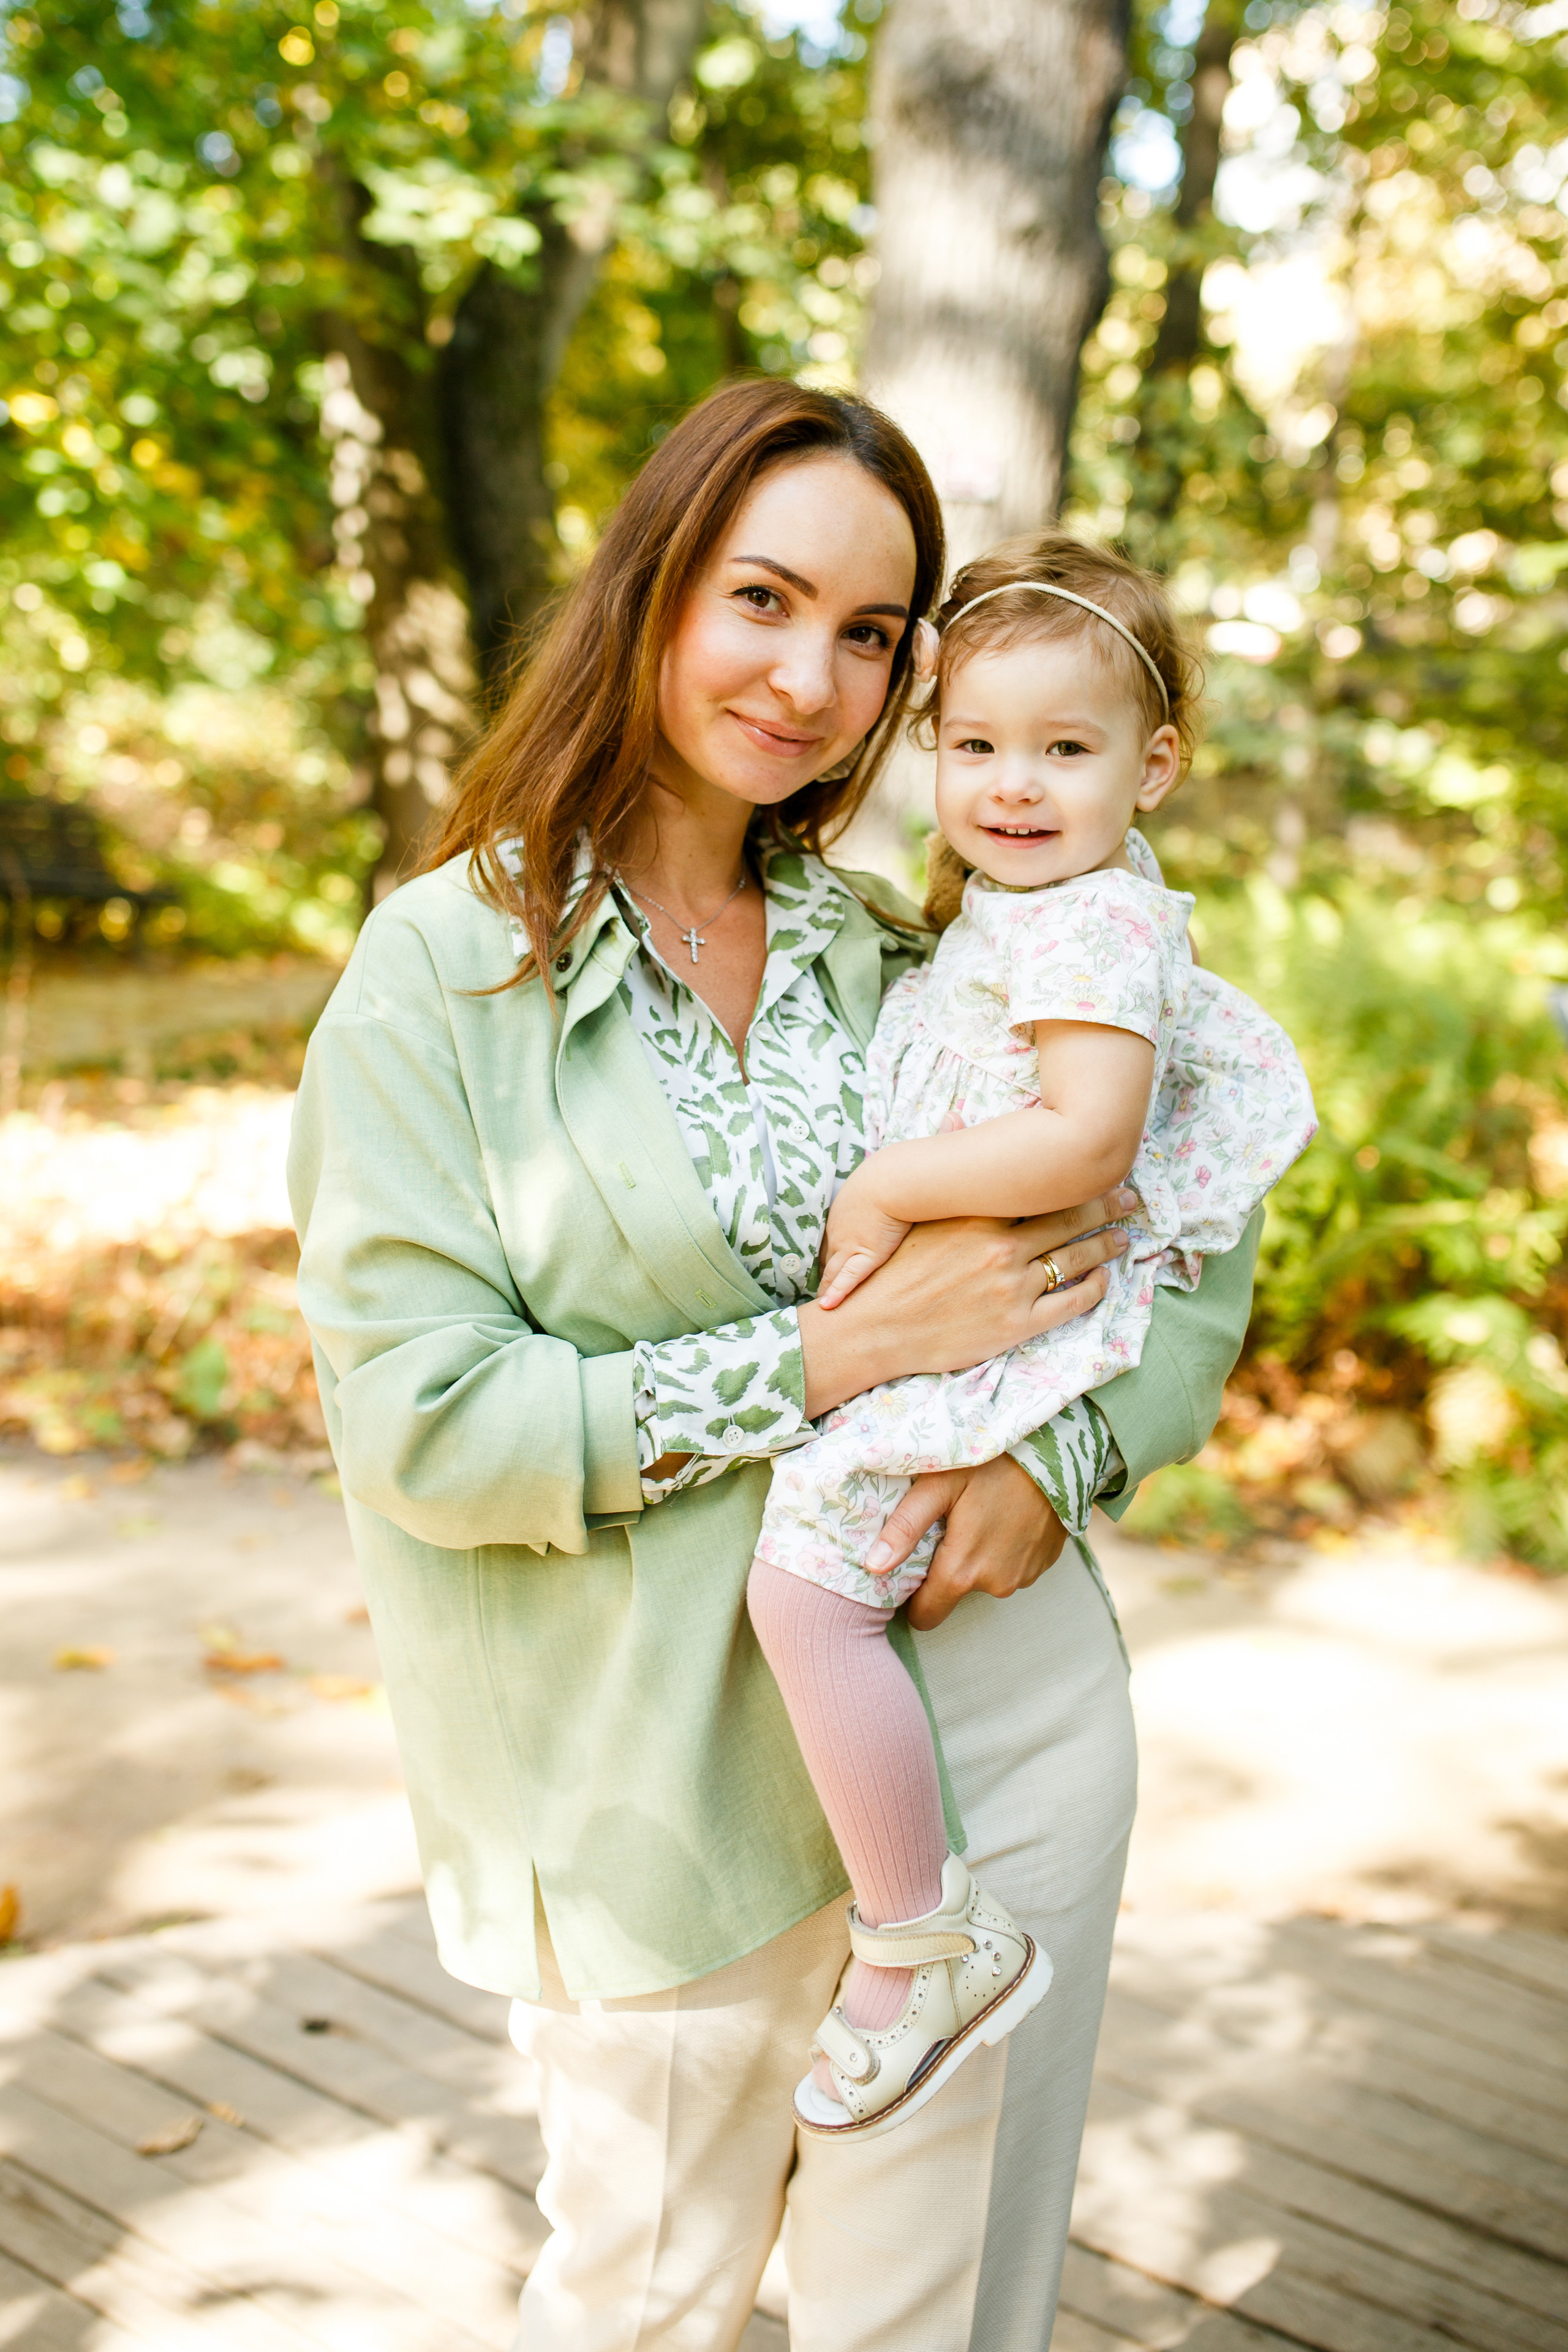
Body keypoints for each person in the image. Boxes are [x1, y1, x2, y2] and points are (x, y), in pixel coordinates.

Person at [287, 377, 1265, 2352]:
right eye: (763, 597)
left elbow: (1190, 1223)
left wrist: (1061, 1471)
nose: (811, 674)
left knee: (946, 2321)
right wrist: (820, 1363)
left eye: (874, 633)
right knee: (646, 2310)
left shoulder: (915, 938)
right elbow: (423, 1422)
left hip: (993, 1736)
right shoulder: (446, 971)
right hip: (655, 1801)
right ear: (652, 592)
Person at [747, 535, 1316, 2141]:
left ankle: (921, 1932)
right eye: (977, 743)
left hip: (1009, 1347)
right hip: (972, 1332)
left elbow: (1081, 1146)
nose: (1012, 783)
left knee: (805, 1592)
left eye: (1064, 750)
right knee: (818, 1590)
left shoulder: (1087, 931)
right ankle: (914, 1911)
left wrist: (886, 1184)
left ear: (1155, 767)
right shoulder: (1010, 918)